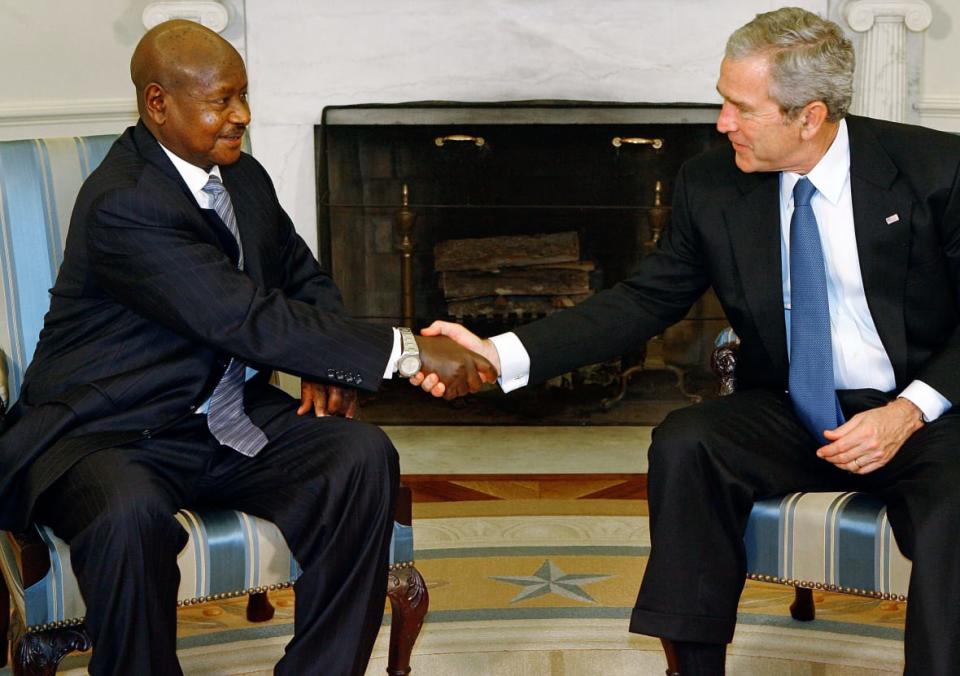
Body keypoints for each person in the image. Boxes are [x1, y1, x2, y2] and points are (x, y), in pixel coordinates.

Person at [413, 7, 960, 674]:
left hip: (924, 412)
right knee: (686, 442)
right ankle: (692, 667)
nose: (722, 122)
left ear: (808, 116)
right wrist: (499, 354)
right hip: (794, 408)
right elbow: (643, 300)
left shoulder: (936, 171)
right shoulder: (713, 183)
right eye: (721, 101)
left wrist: (909, 412)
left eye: (740, 107)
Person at [0, 19, 493, 676]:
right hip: (109, 431)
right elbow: (240, 316)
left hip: (223, 419)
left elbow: (303, 278)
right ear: (158, 103)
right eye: (222, 100)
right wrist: (406, 352)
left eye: (244, 95)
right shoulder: (124, 203)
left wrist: (326, 363)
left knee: (358, 455)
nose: (243, 115)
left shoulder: (243, 178)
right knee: (130, 518)